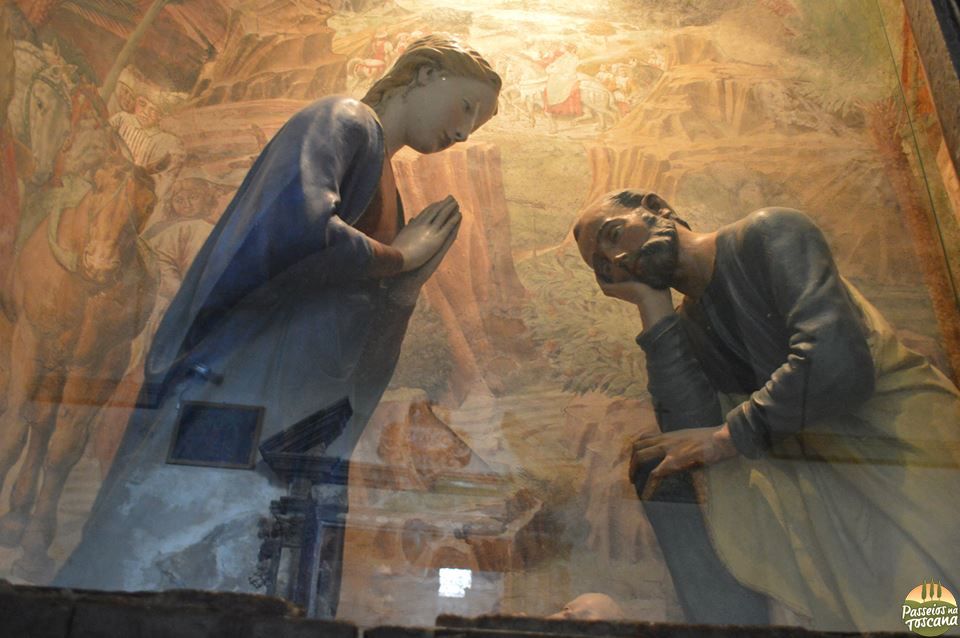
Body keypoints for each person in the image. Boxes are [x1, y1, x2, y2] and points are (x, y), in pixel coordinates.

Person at [54, 36, 501, 616]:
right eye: (466, 106)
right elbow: (295, 228)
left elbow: (353, 343)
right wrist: (398, 258)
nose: (464, 132)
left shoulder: (385, 181)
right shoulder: (343, 121)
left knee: (243, 585)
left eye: (477, 126)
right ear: (421, 74)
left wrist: (403, 292)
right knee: (160, 559)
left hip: (291, 425)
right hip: (240, 397)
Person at [573, 189, 960, 632]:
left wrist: (727, 437)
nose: (617, 258)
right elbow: (688, 439)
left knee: (937, 605)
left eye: (614, 234)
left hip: (903, 447)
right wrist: (652, 303)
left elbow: (836, 363)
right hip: (828, 474)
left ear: (657, 208)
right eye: (603, 266)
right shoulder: (691, 323)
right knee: (657, 465)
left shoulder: (767, 232)